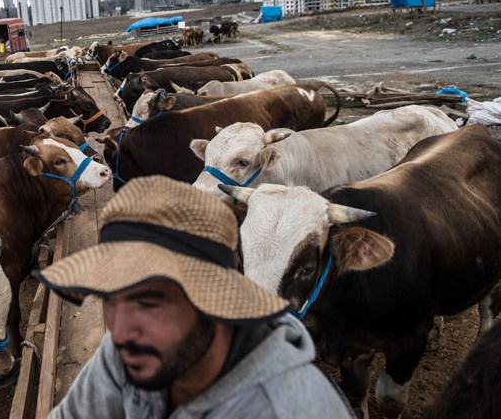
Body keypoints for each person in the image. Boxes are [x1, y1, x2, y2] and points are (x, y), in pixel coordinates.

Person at [34, 175, 354, 419]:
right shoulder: (130, 352)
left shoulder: (289, 408)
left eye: (149, 303)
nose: (119, 330)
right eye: (110, 299)